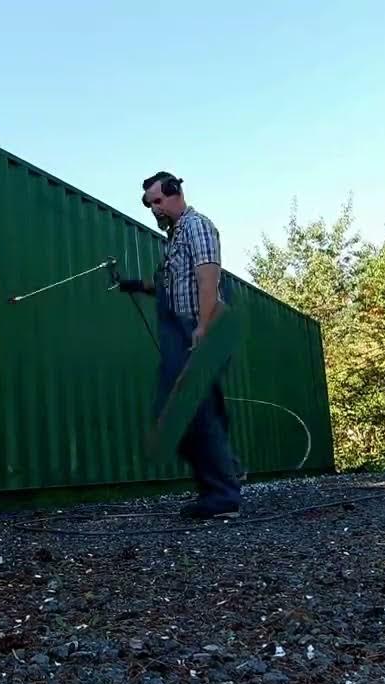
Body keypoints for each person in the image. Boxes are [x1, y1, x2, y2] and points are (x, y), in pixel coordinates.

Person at [117, 171, 243, 519]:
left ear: (175, 193)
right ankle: (228, 474)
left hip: (202, 327)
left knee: (185, 410)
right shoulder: (174, 239)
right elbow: (173, 285)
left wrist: (203, 325)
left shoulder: (197, 226)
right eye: (149, 204)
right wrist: (138, 285)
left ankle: (222, 495)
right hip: (189, 327)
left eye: (158, 201)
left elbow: (208, 274)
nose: (154, 209)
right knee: (207, 408)